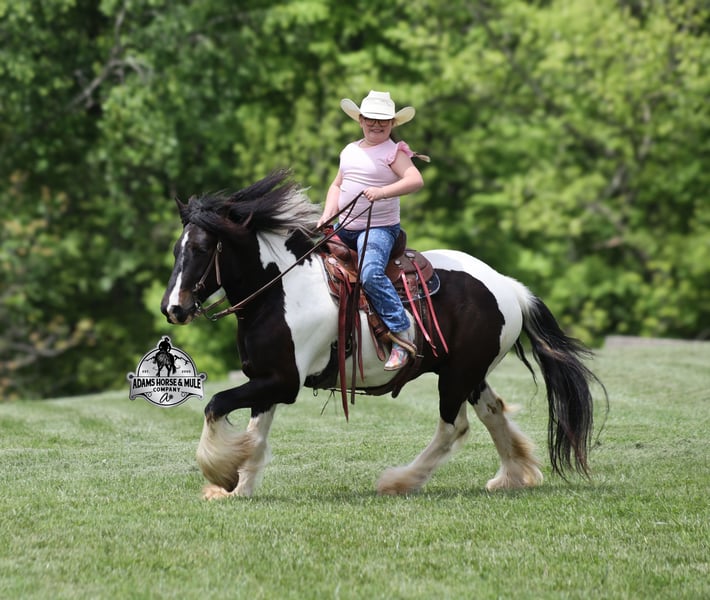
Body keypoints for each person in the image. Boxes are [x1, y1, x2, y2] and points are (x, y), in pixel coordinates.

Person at [317, 90, 426, 371]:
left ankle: (402, 335)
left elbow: (415, 179)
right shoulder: (350, 150)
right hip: (344, 226)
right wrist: (328, 213)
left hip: (378, 229)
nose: (376, 125)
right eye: (371, 119)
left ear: (392, 123)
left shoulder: (393, 151)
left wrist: (382, 192)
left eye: (383, 120)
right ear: (361, 120)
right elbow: (337, 185)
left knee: (369, 273)